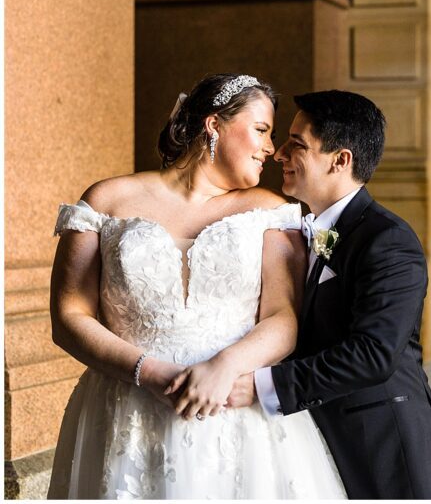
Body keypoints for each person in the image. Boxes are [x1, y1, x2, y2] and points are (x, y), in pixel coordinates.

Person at [48, 73, 346, 499]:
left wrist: (223, 367)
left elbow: (283, 318)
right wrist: (149, 373)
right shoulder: (106, 201)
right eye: (261, 130)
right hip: (126, 411)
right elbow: (69, 316)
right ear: (214, 125)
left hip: (234, 413)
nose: (270, 148)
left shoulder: (271, 212)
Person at [227, 89, 431, 499]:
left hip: (386, 453)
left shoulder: (388, 240)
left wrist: (265, 386)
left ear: (341, 160)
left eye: (296, 145)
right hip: (321, 447)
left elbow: (374, 354)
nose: (279, 154)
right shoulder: (302, 231)